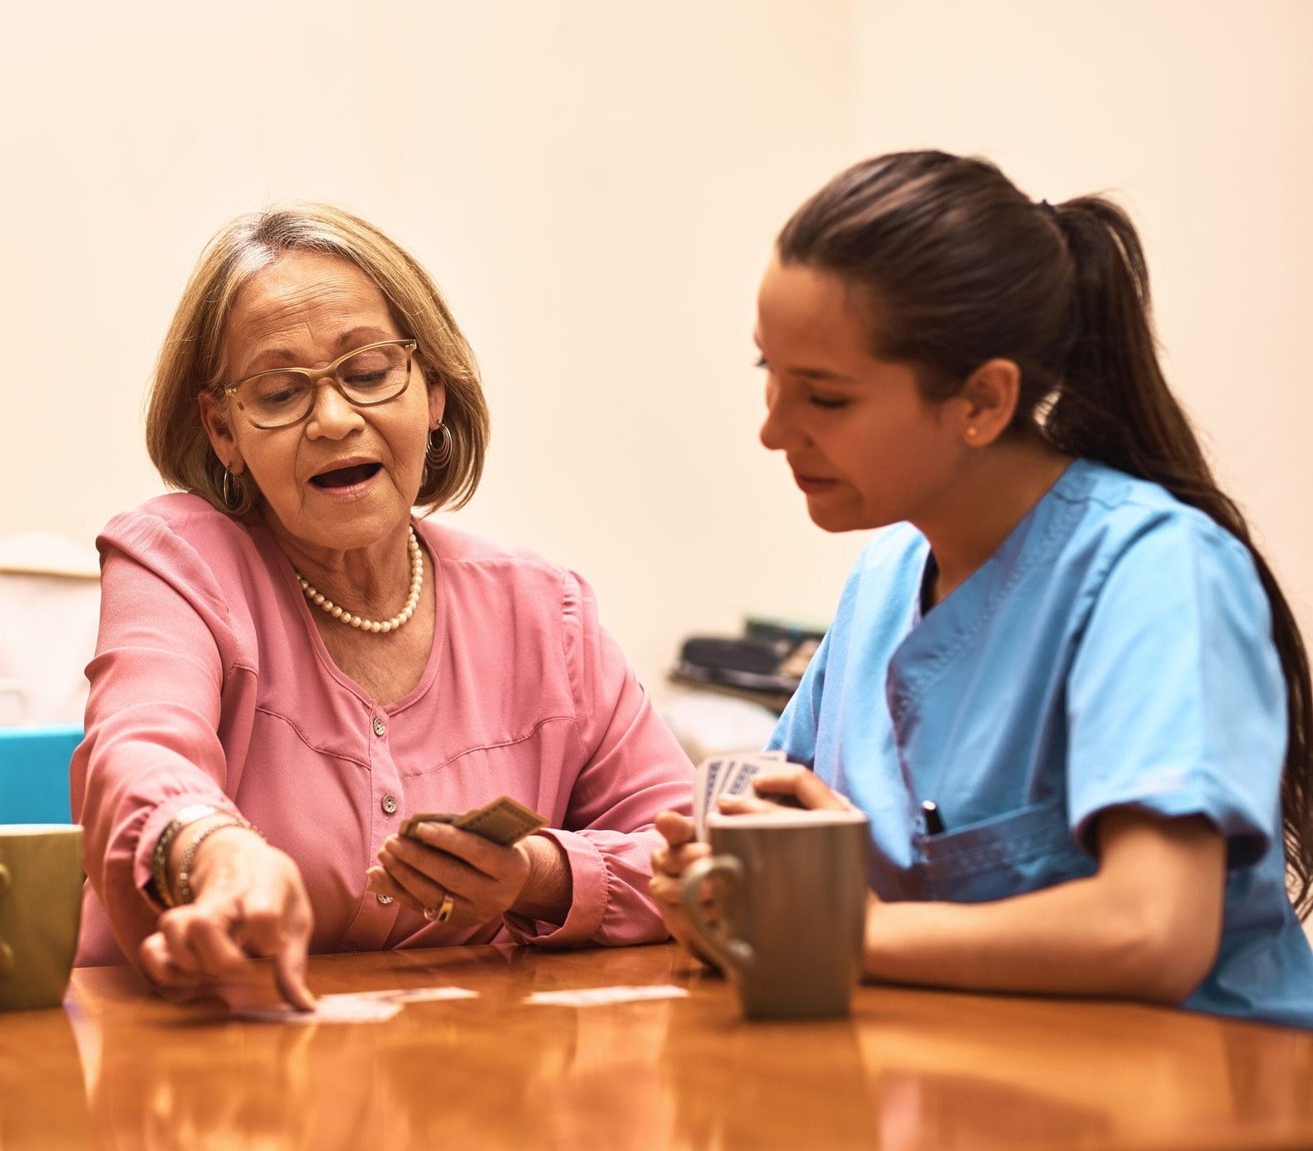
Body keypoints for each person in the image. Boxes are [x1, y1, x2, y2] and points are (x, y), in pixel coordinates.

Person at [651, 150, 1313, 1028]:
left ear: (982, 401)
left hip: (1194, 1092)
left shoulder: (1154, 574)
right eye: (767, 373)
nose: (773, 428)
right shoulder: (885, 579)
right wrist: (717, 888)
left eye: (825, 397)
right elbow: (775, 827)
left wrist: (835, 931)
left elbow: (1152, 932)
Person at [72, 202, 693, 1008]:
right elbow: (137, 756)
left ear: (432, 390)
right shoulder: (177, 559)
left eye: (368, 374)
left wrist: (536, 876)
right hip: (205, 1089)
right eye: (278, 392)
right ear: (223, 430)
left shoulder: (546, 611)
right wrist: (214, 850)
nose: (334, 419)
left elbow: (692, 858)